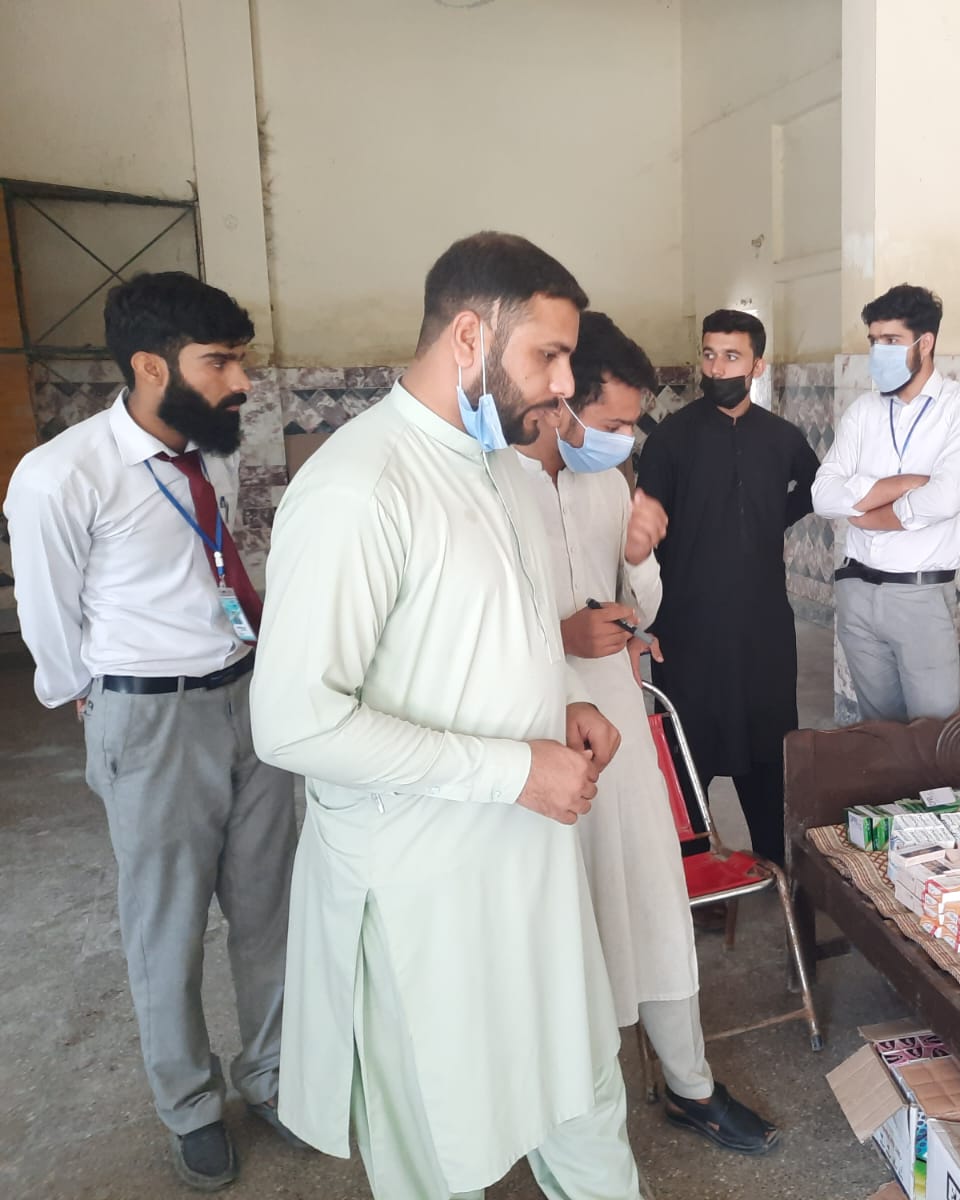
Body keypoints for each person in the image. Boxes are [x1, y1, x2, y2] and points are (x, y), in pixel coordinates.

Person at [249, 232, 643, 1200]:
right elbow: (295, 722)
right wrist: (514, 769)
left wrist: (564, 702)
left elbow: (484, 635)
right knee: (439, 1144)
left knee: (582, 1100)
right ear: (469, 336)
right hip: (424, 891)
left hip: (531, 870)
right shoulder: (358, 487)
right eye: (548, 356)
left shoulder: (497, 468)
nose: (564, 385)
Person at [3, 272, 300, 1190]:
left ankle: (273, 1075)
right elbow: (47, 619)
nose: (240, 381)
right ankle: (191, 1105)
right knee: (166, 927)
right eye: (220, 362)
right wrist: (95, 698)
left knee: (270, 908)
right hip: (151, 716)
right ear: (149, 365)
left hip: (248, 696)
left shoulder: (208, 451)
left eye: (241, 360)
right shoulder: (61, 475)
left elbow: (214, 564)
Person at [512, 310, 780, 1155]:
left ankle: (689, 1085)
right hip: (534, 729)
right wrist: (560, 636)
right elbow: (470, 627)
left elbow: (646, 611)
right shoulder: (493, 488)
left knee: (652, 900)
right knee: (563, 919)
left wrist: (635, 558)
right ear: (561, 399)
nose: (627, 440)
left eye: (633, 423)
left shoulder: (606, 485)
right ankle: (568, 1104)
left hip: (620, 721)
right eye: (615, 421)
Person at [635, 310, 820, 866]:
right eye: (710, 354)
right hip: (688, 624)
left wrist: (771, 518)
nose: (717, 368)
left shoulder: (781, 437)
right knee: (689, 748)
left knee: (768, 745)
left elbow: (815, 485)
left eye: (732, 356)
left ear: (757, 365)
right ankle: (692, 872)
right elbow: (644, 527)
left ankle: (776, 866)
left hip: (764, 624)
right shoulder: (672, 438)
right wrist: (650, 619)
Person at [812, 284, 960, 723]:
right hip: (856, 590)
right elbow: (823, 495)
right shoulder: (863, 411)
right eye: (874, 341)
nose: (879, 351)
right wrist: (902, 484)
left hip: (919, 593)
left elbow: (944, 499)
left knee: (935, 734)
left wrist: (869, 515)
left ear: (924, 343)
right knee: (880, 731)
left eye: (891, 340)